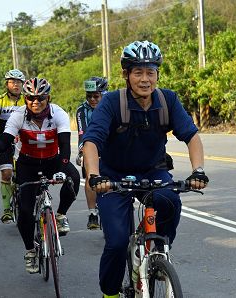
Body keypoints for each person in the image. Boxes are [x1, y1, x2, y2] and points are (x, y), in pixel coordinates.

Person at [81, 40, 209, 297]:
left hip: (153, 172)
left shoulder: (168, 100)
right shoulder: (111, 103)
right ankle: (110, 293)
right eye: (138, 72)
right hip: (113, 177)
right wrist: (95, 176)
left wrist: (198, 171)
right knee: (117, 243)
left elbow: (192, 137)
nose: (145, 79)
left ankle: (159, 251)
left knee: (171, 201)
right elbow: (91, 142)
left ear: (157, 74)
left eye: (150, 72)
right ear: (126, 75)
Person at [0, 77, 80, 273]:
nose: (35, 103)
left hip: (53, 160)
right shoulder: (18, 116)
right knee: (25, 210)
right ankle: (30, 251)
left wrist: (62, 168)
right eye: (30, 98)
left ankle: (61, 215)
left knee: (73, 177)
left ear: (48, 98)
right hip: (27, 164)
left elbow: (65, 146)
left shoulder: (59, 113)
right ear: (25, 99)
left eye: (40, 98)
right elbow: (3, 144)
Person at [0, 69, 26, 223]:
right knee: (7, 173)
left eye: (18, 82)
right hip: (5, 142)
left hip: (23, 141)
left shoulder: (28, 100)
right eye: (12, 82)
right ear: (7, 84)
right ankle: (7, 210)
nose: (15, 85)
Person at [75, 76, 108, 230]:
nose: (92, 100)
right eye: (89, 96)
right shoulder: (82, 110)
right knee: (91, 176)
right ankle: (93, 213)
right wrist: (82, 152)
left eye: (96, 96)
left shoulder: (112, 106)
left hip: (110, 146)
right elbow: (82, 132)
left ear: (104, 93)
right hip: (90, 145)